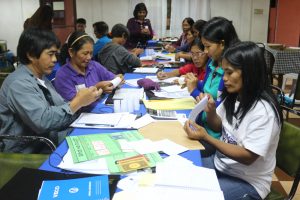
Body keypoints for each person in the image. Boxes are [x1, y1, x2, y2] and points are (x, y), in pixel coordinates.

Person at [184, 41, 283, 200]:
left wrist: (205, 137)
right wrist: (210, 113)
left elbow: (247, 156)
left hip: (247, 182)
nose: (225, 79)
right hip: (221, 165)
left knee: (194, 195)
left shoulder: (264, 111)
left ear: (249, 72)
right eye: (224, 72)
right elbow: (218, 127)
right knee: (182, 171)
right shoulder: (234, 96)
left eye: (230, 73)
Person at [0, 28, 102, 153]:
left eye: (56, 54)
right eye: (50, 54)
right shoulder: (19, 84)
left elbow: (59, 106)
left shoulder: (40, 77)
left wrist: (80, 103)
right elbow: (43, 122)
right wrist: (78, 102)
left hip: (49, 139)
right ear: (31, 55)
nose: (54, 59)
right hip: (30, 152)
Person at [185, 17, 240, 155]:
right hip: (203, 127)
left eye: (208, 46)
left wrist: (193, 91)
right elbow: (208, 91)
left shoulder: (230, 76)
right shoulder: (212, 63)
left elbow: (216, 109)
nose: (205, 51)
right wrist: (197, 83)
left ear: (222, 44)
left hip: (215, 137)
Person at [55, 31, 122, 110]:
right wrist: (97, 87)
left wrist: (117, 80)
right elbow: (75, 106)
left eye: (91, 53)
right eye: (85, 53)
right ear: (71, 52)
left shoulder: (94, 66)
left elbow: (116, 77)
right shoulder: (63, 76)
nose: (89, 57)